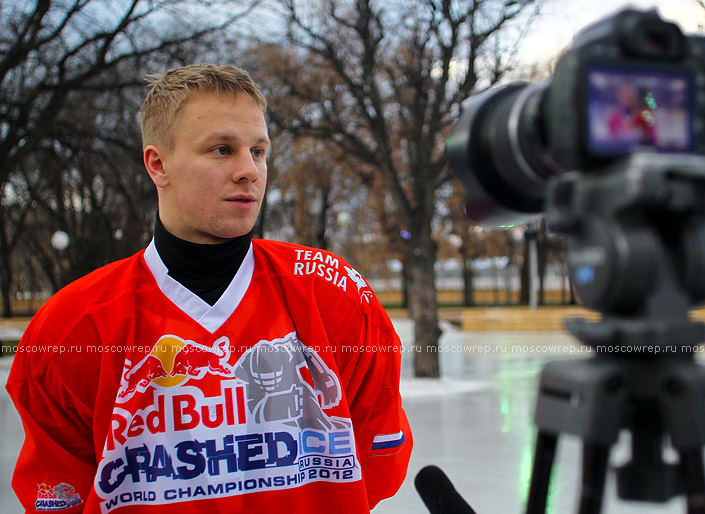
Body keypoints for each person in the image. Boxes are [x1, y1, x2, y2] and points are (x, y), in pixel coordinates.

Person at [7, 64, 412, 513]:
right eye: (222, 149)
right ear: (158, 164)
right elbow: (58, 493)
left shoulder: (332, 292)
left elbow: (378, 459)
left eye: (259, 151)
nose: (249, 171)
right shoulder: (74, 325)